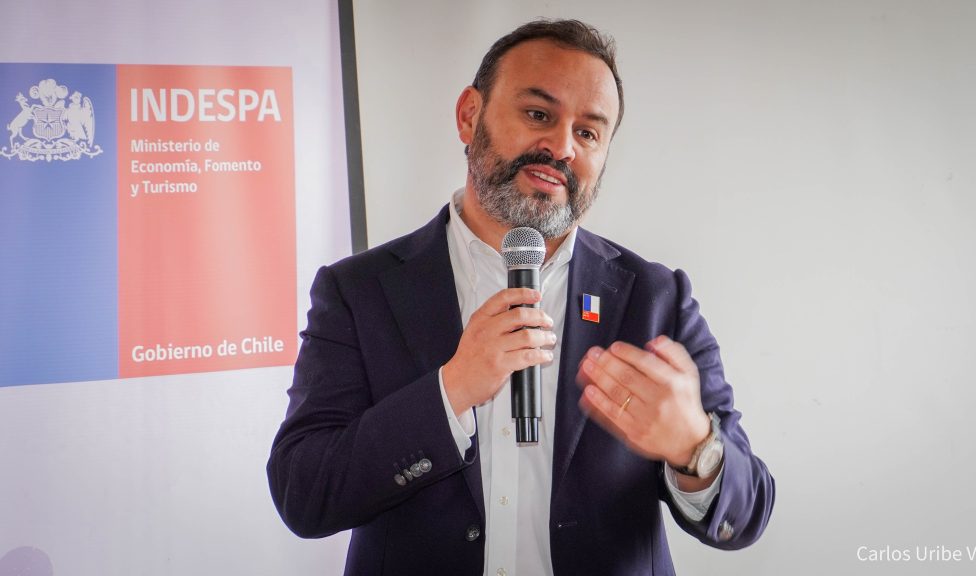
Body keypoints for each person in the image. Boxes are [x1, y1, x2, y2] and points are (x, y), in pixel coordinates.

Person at [268, 18, 774, 576]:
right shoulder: (358, 291)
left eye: (588, 133)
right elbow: (304, 493)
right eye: (538, 114)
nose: (561, 147)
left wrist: (694, 448)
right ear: (470, 115)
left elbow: (747, 515)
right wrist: (451, 391)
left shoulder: (655, 298)